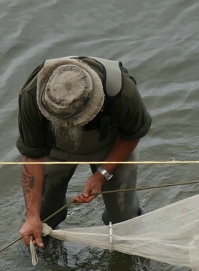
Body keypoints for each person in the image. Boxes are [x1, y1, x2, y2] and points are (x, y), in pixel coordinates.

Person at [16, 55, 152, 250]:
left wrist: (102, 174)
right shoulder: (31, 95)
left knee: (124, 219)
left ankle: (127, 259)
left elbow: (131, 135)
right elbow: (33, 153)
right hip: (55, 149)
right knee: (42, 217)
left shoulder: (123, 92)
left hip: (110, 145)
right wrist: (32, 216)